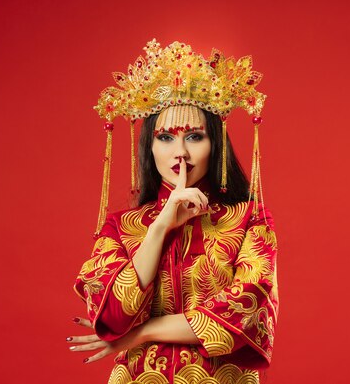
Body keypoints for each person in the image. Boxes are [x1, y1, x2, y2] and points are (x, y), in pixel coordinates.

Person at [68, 39, 279, 384]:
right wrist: (160, 226)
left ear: (216, 143)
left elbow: (244, 315)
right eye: (165, 138)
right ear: (149, 147)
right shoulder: (121, 227)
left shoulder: (248, 220)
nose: (180, 152)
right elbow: (111, 316)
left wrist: (141, 333)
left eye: (195, 137)